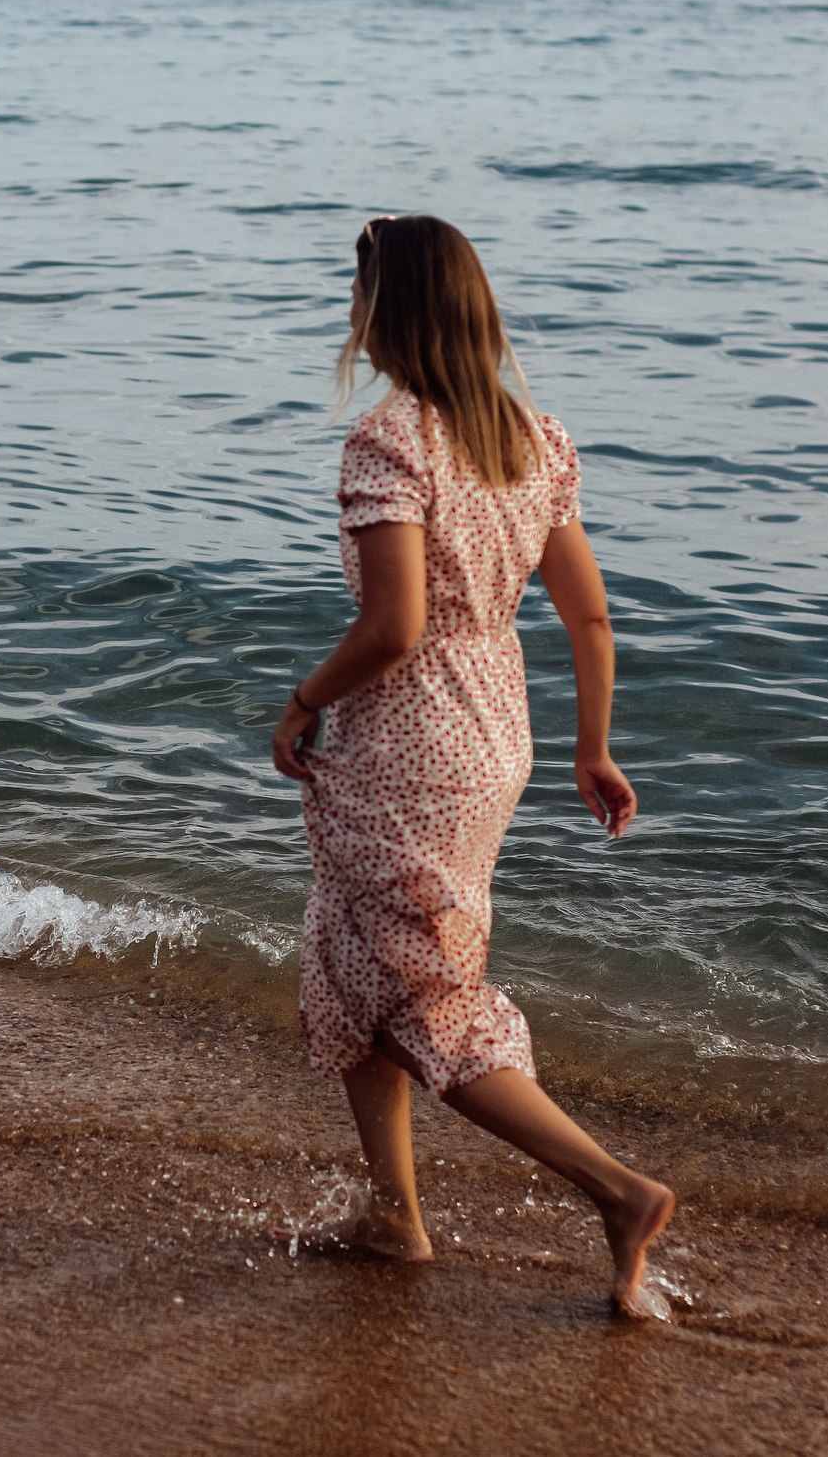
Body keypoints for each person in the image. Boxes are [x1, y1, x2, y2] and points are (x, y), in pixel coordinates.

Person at [271, 215, 675, 1321]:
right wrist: (593, 745)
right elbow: (587, 613)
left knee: (419, 985)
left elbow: (395, 626)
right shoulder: (529, 437)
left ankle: (616, 1186)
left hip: (407, 732)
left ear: (386, 307)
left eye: (357, 290)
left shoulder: (391, 439)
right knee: (353, 952)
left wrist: (304, 699)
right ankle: (394, 1213)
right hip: (495, 725)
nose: (347, 310)